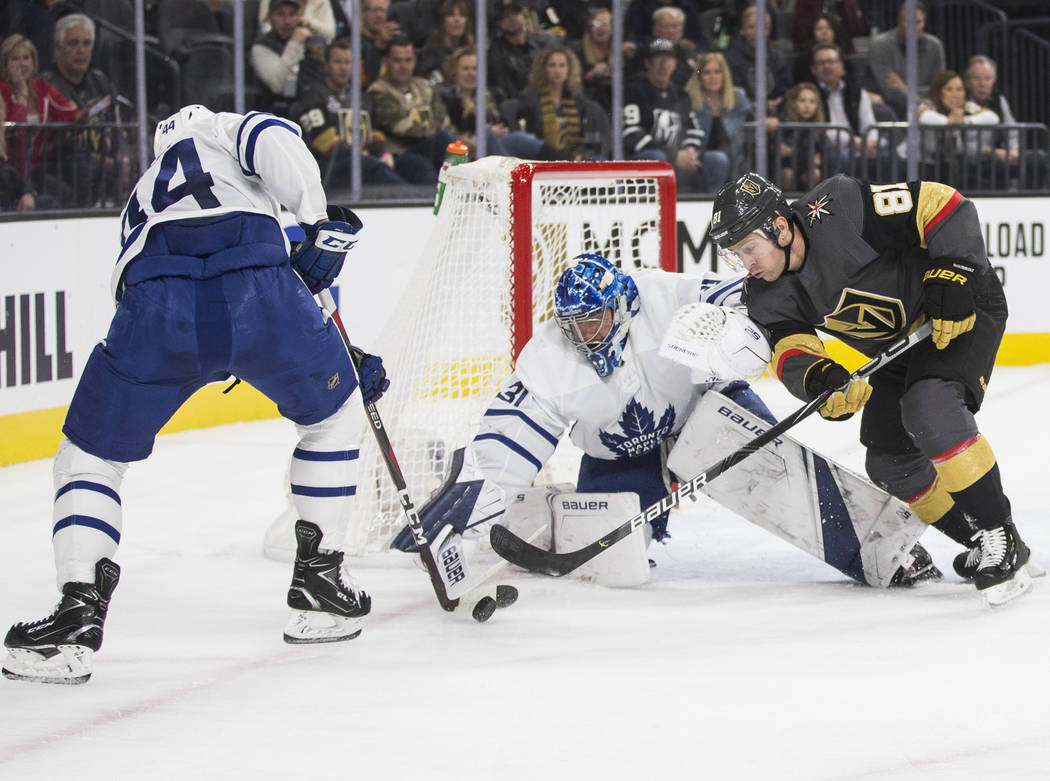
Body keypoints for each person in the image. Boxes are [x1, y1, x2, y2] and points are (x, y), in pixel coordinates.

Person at [2, 105, 385, 685]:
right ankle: (320, 586)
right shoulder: (220, 131)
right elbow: (273, 139)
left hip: (155, 307)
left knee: (89, 456)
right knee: (334, 417)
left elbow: (143, 277)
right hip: (259, 290)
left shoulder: (145, 194)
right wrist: (317, 219)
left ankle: (77, 611)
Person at [709, 172, 1035, 606]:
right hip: (900, 347)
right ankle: (981, 538)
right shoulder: (766, 293)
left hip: (957, 311)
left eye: (748, 248)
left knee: (930, 407)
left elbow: (943, 204)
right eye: (735, 254)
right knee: (891, 462)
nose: (746, 262)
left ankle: (1001, 535)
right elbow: (790, 350)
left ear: (780, 227)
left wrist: (955, 268)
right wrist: (819, 379)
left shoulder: (839, 207)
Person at [390, 252, 772, 552]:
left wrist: (754, 336)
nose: (584, 334)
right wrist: (472, 508)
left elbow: (745, 295)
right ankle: (545, 511)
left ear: (619, 305)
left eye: (593, 320)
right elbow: (510, 439)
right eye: (574, 324)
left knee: (770, 465)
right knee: (611, 550)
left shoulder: (662, 295)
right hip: (623, 453)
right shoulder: (551, 358)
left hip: (705, 416)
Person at [288, 38, 411, 187]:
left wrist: (383, 154)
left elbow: (375, 133)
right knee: (372, 166)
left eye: (348, 62)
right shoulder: (312, 98)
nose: (343, 68)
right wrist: (363, 159)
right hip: (328, 170)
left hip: (366, 165)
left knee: (411, 162)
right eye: (338, 62)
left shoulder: (361, 99)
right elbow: (325, 142)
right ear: (326, 66)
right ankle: (407, 199)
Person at [42, 13, 129, 207]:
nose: (81, 50)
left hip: (102, 160)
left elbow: (117, 125)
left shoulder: (100, 81)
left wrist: (122, 157)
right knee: (81, 165)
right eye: (73, 43)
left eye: (86, 43)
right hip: (62, 163)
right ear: (57, 48)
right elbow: (53, 141)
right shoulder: (47, 84)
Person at [624, 38, 721, 192]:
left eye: (668, 59)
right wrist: (673, 156)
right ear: (647, 63)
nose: (663, 65)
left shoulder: (681, 94)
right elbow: (631, 133)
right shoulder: (634, 90)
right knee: (658, 159)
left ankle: (715, 209)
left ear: (675, 63)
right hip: (646, 157)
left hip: (678, 156)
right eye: (658, 59)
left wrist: (689, 152)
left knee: (717, 160)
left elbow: (694, 131)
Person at [0, 33, 79, 203]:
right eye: (14, 59)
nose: (21, 64)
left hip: (36, 168)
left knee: (66, 193)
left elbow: (68, 112)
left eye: (26, 58)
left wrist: (86, 112)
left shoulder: (41, 87)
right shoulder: (2, 90)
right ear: (5, 64)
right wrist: (21, 93)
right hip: (8, 168)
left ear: (34, 61)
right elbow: (14, 130)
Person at [366, 36, 455, 184]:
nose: (403, 66)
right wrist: (431, 126)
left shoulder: (424, 86)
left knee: (448, 140)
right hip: (400, 155)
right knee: (424, 157)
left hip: (431, 147)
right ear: (386, 62)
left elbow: (443, 120)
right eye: (397, 60)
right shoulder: (378, 90)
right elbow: (401, 126)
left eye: (408, 60)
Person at [438, 46, 544, 160]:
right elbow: (451, 133)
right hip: (466, 149)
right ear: (455, 72)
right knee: (490, 136)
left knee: (518, 138)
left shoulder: (491, 96)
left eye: (475, 69)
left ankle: (558, 164)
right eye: (465, 69)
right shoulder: (449, 98)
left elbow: (503, 125)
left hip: (496, 144)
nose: (471, 73)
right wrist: (485, 133)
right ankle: (507, 175)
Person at [963, 54, 1048, 190]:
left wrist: (1013, 150)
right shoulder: (959, 102)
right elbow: (959, 145)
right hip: (972, 159)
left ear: (994, 81)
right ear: (967, 81)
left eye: (987, 78)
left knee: (1039, 158)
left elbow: (1012, 130)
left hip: (998, 157)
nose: (982, 84)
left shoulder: (999, 101)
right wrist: (992, 152)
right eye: (977, 78)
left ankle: (1032, 197)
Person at [517, 45, 608, 161]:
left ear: (569, 69)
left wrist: (580, 154)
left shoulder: (579, 100)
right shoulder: (530, 99)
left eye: (562, 65)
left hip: (574, 159)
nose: (557, 70)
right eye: (552, 65)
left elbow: (584, 137)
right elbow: (529, 139)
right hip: (539, 158)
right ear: (543, 69)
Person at [915, 70, 998, 189]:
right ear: (939, 92)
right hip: (920, 164)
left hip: (949, 164)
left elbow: (993, 117)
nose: (955, 94)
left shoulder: (967, 106)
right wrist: (950, 122)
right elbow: (924, 117)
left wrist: (964, 121)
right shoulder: (928, 104)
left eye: (960, 89)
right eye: (949, 89)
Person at [809, 43, 881, 179]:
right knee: (843, 160)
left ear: (841, 66)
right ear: (813, 69)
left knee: (887, 157)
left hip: (861, 148)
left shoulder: (857, 91)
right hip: (829, 150)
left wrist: (870, 142)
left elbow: (869, 123)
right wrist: (851, 141)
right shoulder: (811, 93)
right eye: (821, 63)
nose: (827, 66)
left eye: (831, 61)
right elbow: (822, 128)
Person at [866, 1, 945, 122]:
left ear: (924, 23)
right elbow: (891, 93)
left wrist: (906, 88)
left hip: (929, 110)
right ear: (899, 22)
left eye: (918, 22)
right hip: (891, 110)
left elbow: (940, 88)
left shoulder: (935, 46)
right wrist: (923, 93)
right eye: (908, 21)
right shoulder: (880, 45)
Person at [685, 51, 752, 184]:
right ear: (699, 77)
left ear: (724, 75)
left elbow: (753, 124)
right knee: (718, 159)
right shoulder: (689, 100)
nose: (713, 77)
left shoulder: (737, 99)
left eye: (717, 72)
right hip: (700, 160)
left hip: (735, 161)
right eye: (707, 73)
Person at [250, 0, 325, 115]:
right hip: (279, 112)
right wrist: (294, 43)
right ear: (270, 17)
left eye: (292, 15)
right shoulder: (261, 47)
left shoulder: (312, 40)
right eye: (280, 15)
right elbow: (278, 85)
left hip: (316, 106)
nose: (287, 21)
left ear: (299, 17)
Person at [723, 5, 791, 117]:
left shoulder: (777, 58)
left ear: (768, 31)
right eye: (751, 27)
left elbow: (786, 90)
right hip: (741, 117)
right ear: (742, 30)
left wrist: (778, 102)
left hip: (775, 117)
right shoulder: (730, 58)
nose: (756, 32)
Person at [487, 1, 544, 102]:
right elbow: (507, 90)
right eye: (505, 16)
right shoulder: (495, 54)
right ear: (498, 22)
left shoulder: (539, 46)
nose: (512, 19)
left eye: (515, 13)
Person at [775, 82, 825, 191]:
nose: (807, 106)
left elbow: (822, 157)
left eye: (812, 102)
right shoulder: (783, 125)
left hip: (806, 173)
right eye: (802, 101)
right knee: (788, 174)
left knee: (815, 173)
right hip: (785, 172)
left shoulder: (819, 129)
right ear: (793, 103)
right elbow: (779, 155)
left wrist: (793, 152)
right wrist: (807, 157)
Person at [416, 0, 473, 85]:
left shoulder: (473, 52)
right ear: (442, 21)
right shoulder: (429, 54)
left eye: (462, 15)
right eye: (451, 15)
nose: (457, 20)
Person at [571, 6, 613, 111]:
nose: (601, 28)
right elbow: (574, 83)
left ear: (612, 29)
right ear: (590, 28)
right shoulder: (579, 52)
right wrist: (591, 74)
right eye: (596, 24)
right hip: (587, 102)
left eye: (605, 24)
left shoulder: (618, 53)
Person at [360, 0, 401, 83]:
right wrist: (379, 45)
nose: (379, 15)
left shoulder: (396, 42)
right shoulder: (353, 44)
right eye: (373, 10)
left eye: (383, 10)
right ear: (362, 13)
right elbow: (369, 76)